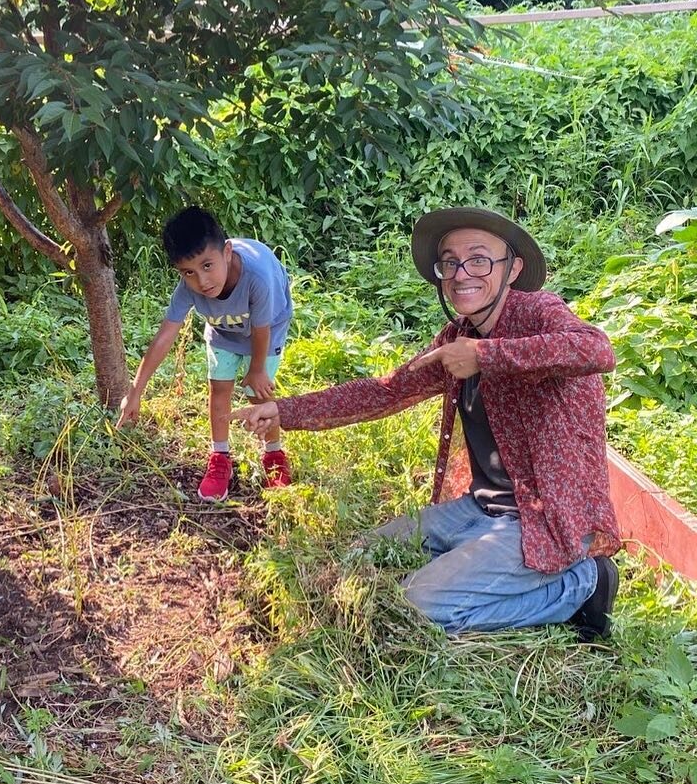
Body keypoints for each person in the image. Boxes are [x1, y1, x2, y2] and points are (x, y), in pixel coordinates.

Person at [234, 207, 622, 640]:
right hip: (481, 507)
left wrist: (486, 356)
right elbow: (386, 390)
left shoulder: (536, 311)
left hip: (541, 518)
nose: (461, 274)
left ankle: (581, 585)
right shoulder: (456, 338)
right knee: (365, 553)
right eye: (450, 262)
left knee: (413, 608)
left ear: (512, 269)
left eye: (478, 259)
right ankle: (477, 560)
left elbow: (597, 350)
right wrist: (286, 411)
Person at [117, 206, 294, 501]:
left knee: (257, 393)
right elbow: (165, 335)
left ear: (226, 252)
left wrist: (257, 368)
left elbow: (261, 328)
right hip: (223, 328)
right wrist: (136, 389)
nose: (202, 281)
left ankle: (274, 453)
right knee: (219, 389)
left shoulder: (258, 278)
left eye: (207, 266)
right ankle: (220, 456)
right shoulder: (190, 288)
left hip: (267, 327)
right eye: (189, 272)